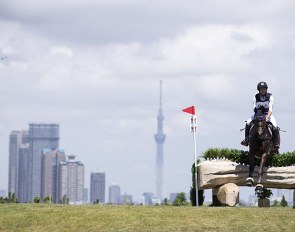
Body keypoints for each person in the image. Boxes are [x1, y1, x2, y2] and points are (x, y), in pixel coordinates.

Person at [241, 81, 280, 152]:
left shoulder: (270, 96)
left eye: (264, 88)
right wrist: (258, 116)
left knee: (275, 126)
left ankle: (276, 143)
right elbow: (254, 108)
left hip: (267, 114)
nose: (263, 90)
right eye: (261, 89)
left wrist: (267, 117)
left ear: (266, 89)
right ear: (259, 90)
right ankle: (246, 140)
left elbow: (270, 109)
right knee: (248, 123)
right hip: (258, 114)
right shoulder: (255, 97)